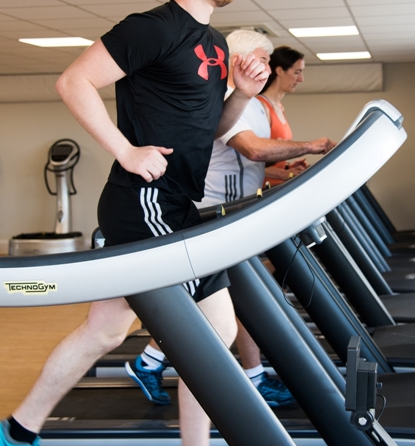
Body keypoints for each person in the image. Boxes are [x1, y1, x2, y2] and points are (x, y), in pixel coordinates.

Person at [0, 0, 270, 446]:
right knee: (213, 330)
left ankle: (16, 433)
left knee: (105, 330)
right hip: (146, 202)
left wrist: (242, 98)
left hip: (176, 203)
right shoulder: (152, 27)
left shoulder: (213, 45)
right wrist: (124, 150)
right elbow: (74, 82)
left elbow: (208, 130)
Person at [126, 30, 335, 409]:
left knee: (228, 298)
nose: (268, 66)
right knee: (231, 298)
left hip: (237, 212)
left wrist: (283, 169)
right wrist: (312, 145)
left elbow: (248, 162)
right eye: (262, 58)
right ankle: (244, 376)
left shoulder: (251, 102)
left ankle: (152, 361)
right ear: (238, 60)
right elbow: (252, 150)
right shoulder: (227, 98)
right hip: (215, 214)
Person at [258, 46, 309, 186]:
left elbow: (271, 159)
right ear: (279, 71)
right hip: (262, 190)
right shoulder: (261, 106)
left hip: (277, 187)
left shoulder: (279, 107)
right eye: (297, 72)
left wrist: (287, 167)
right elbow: (248, 159)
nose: (301, 79)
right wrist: (283, 174)